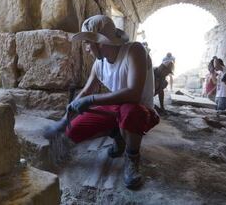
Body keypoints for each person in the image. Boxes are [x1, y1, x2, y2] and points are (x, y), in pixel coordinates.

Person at [45, 15, 159, 189]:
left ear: (100, 43)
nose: (87, 49)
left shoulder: (134, 51)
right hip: (118, 109)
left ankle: (132, 157)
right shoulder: (100, 64)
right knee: (74, 131)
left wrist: (92, 100)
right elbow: (85, 92)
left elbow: (134, 94)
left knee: (130, 112)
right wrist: (64, 121)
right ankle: (120, 137)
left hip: (141, 111)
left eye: (88, 43)